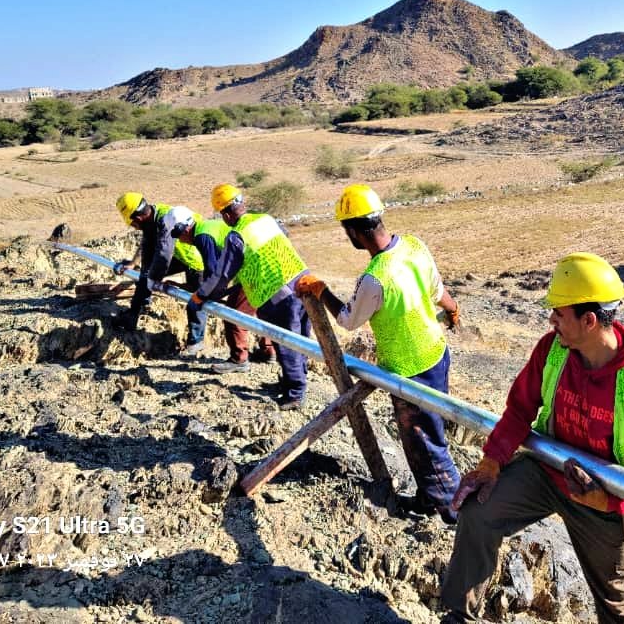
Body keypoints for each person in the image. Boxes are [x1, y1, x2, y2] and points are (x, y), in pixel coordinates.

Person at [440, 253, 624, 624]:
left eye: (559, 313)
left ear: (589, 320)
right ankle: (459, 615)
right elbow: (520, 409)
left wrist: (608, 502)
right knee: (478, 512)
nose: (551, 320)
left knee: (614, 604)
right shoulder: (553, 349)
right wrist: (491, 462)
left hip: (603, 499)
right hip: (547, 472)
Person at [295, 184, 461, 524]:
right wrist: (453, 308)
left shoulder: (375, 278)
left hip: (409, 369)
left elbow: (347, 320)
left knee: (426, 441)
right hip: (436, 353)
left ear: (353, 231)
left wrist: (320, 289)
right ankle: (430, 498)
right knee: (430, 434)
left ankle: (454, 513)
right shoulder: (414, 245)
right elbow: (437, 289)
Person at [204, 184, 311, 409]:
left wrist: (201, 297)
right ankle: (292, 383)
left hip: (278, 295)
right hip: (302, 282)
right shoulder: (265, 219)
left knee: (287, 342)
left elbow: (222, 275)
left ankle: (295, 394)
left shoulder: (237, 236)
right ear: (241, 203)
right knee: (300, 340)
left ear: (224, 214)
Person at [111, 193, 208, 355]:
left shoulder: (165, 220)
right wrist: (135, 265)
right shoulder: (151, 217)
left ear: (139, 218)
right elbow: (147, 245)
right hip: (178, 255)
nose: (133, 227)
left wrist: (152, 280)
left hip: (197, 259)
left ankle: (195, 342)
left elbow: (164, 254)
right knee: (144, 274)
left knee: (196, 300)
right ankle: (133, 314)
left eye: (133, 224)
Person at [169, 213, 259, 368]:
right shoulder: (207, 227)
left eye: (178, 235)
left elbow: (214, 273)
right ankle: (268, 352)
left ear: (185, 229)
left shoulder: (202, 237)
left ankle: (239, 360)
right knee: (264, 310)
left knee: (233, 315)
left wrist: (202, 296)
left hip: (252, 271)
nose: (180, 240)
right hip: (252, 266)